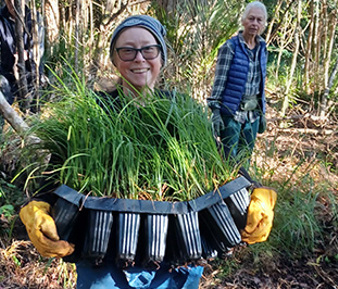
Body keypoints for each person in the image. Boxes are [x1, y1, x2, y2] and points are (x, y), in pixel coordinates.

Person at [18, 15, 204, 289]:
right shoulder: (93, 111)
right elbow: (58, 171)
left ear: (161, 56)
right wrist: (38, 206)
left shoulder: (184, 109)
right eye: (127, 50)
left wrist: (256, 192)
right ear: (115, 60)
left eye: (148, 49)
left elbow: (218, 170)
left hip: (174, 258)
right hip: (104, 261)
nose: (139, 58)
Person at [207, 1, 268, 166]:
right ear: (243, 21)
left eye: (259, 20)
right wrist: (216, 111)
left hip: (253, 115)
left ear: (263, 24)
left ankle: (244, 190)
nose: (254, 23)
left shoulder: (262, 48)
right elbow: (219, 81)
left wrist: (263, 111)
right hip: (232, 113)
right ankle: (227, 190)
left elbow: (261, 82)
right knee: (228, 159)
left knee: (245, 158)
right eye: (251, 19)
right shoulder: (230, 47)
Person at [0, 0, 44, 136]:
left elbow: (39, 47)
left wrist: (28, 54)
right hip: (7, 69)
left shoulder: (35, 17)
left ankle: (33, 142)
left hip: (31, 71)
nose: (12, 3)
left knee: (31, 112)